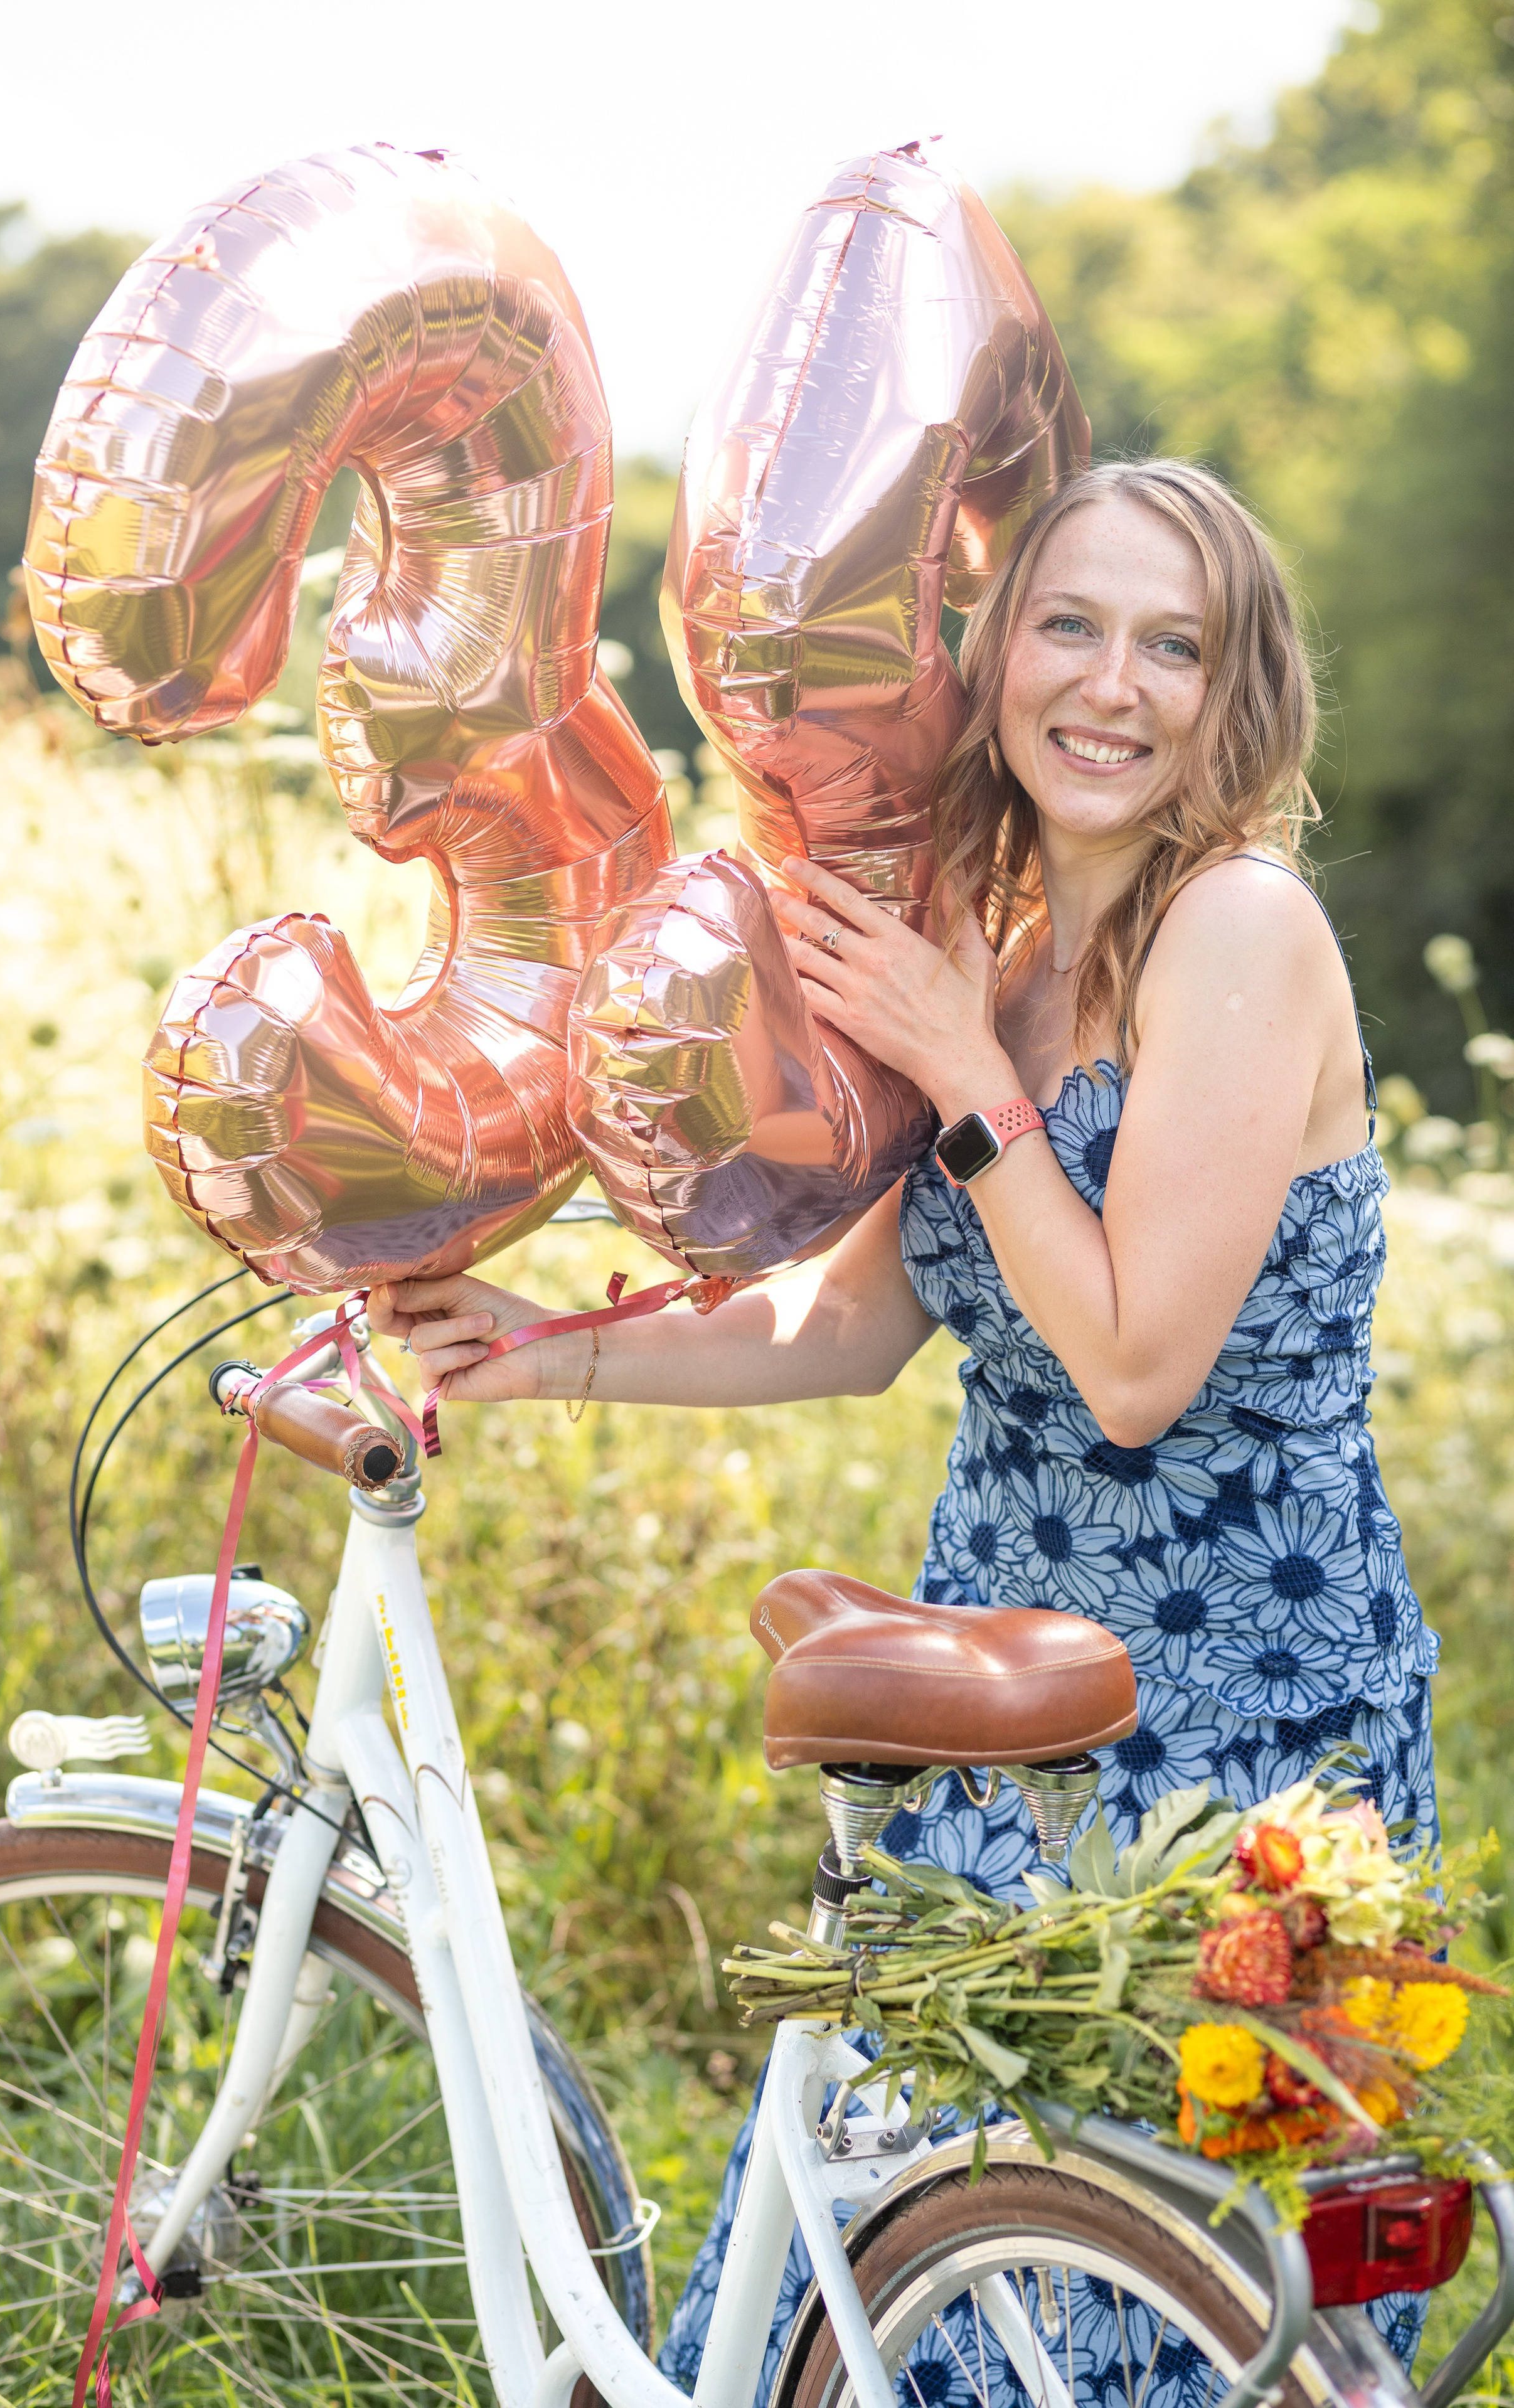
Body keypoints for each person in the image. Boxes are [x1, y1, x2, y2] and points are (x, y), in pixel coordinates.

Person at [368, 459, 1439, 2392]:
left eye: (1171, 643)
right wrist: (542, 1350)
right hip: (1000, 1708)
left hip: (1241, 1726)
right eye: (1070, 624)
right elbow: (849, 1326)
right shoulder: (1001, 961)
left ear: (1236, 687)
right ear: (997, 658)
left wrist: (957, 1074)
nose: (1112, 685)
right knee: (916, 2276)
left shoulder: (1241, 930)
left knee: (1211, 2311)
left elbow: (1133, 1369)